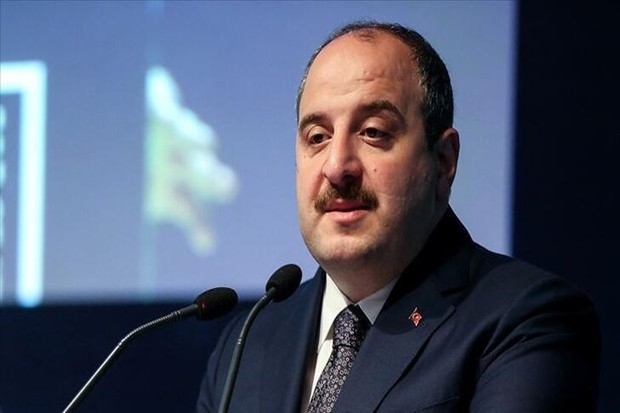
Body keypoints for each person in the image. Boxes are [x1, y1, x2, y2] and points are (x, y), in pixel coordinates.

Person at [197, 21, 600, 412]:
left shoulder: (526, 320)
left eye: (373, 132)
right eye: (318, 137)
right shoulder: (248, 343)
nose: (337, 167)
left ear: (443, 161)